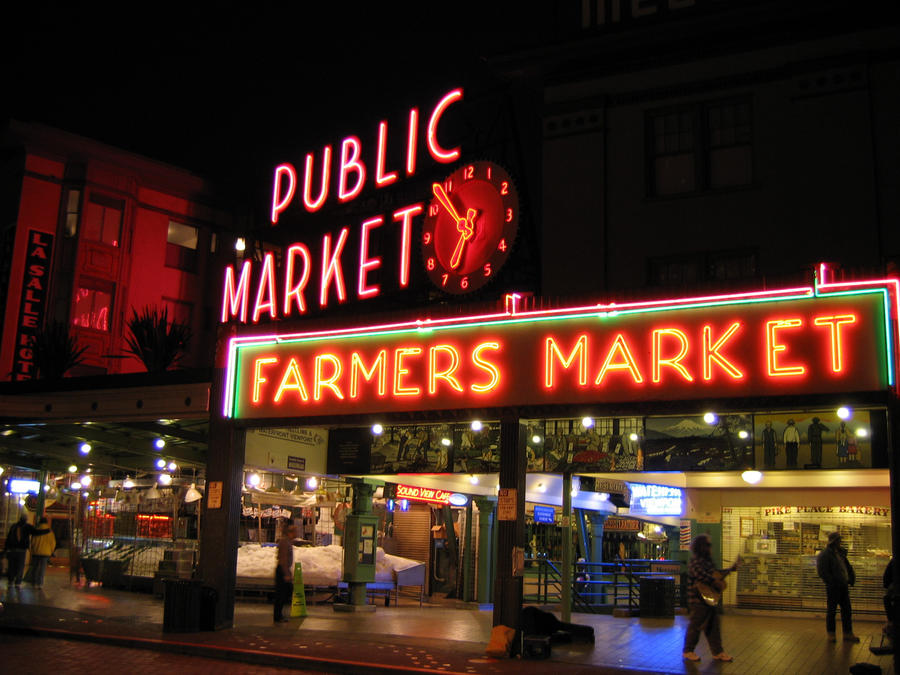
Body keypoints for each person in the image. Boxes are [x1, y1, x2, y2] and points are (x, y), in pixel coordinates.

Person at [683, 533, 738, 663]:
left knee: (713, 626)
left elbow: (714, 574)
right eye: (708, 545)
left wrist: (730, 570)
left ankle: (718, 652)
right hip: (698, 600)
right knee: (695, 625)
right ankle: (688, 651)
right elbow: (702, 575)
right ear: (702, 547)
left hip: (708, 599)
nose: (710, 548)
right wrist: (715, 581)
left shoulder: (706, 561)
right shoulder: (695, 561)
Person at [816, 531, 860, 642]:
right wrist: (831, 582)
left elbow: (846, 567)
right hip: (834, 586)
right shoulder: (825, 555)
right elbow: (822, 572)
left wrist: (850, 578)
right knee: (832, 611)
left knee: (846, 610)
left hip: (843, 585)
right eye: (838, 540)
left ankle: (847, 633)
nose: (840, 542)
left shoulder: (840, 553)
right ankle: (832, 634)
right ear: (835, 541)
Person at [5, 514, 51, 587]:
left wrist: (6, 549)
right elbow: (36, 532)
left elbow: (8, 538)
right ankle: (18, 582)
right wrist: (47, 531)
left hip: (12, 550)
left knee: (12, 566)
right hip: (22, 550)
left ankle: (11, 581)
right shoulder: (27, 527)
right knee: (20, 566)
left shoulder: (14, 526)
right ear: (25, 520)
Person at [274, 524, 298, 623]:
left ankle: (279, 615)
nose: (296, 534)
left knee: (284, 592)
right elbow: (283, 559)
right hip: (282, 570)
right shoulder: (285, 542)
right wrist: (286, 573)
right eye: (294, 532)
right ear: (290, 533)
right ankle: (278, 615)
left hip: (283, 570)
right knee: (282, 593)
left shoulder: (287, 542)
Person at [28, 516, 56, 589]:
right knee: (42, 569)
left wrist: (32, 549)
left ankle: (33, 582)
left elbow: (32, 542)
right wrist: (51, 551)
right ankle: (40, 583)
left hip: (36, 552)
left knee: (35, 568)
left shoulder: (36, 530)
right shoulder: (50, 532)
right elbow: (52, 543)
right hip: (45, 553)